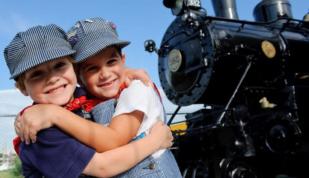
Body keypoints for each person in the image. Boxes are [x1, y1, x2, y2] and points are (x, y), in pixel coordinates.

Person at [16, 17, 182, 177]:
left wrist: (125, 73)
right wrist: (154, 141)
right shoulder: (42, 134)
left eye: (111, 62)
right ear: (79, 74)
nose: (105, 74)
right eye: (92, 69)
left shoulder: (132, 89)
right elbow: (103, 165)